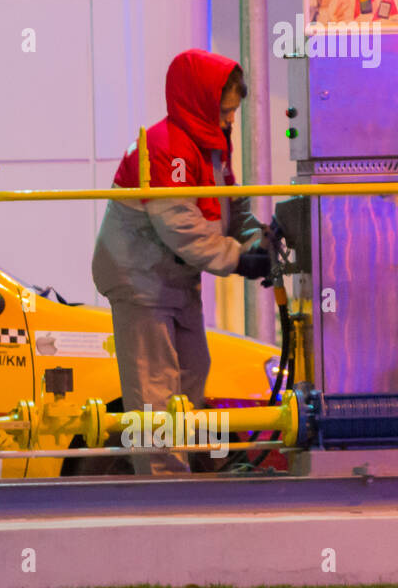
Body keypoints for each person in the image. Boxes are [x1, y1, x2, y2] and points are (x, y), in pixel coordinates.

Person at [92, 49, 269, 472]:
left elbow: (230, 202)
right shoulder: (164, 148)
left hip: (172, 279)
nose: (230, 121)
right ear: (200, 102)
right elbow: (180, 226)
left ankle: (178, 477)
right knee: (155, 391)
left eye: (233, 113)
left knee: (191, 374)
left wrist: (255, 237)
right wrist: (240, 260)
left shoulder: (207, 144)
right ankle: (163, 495)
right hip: (142, 283)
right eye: (225, 111)